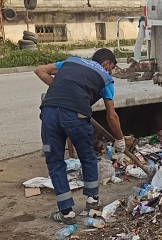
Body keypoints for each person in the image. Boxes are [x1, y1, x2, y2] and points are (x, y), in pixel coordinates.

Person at [35, 49, 125, 224]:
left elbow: (40, 70)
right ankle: (92, 201)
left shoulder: (71, 62)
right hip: (76, 116)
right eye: (112, 68)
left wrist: (61, 90)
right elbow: (111, 115)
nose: (111, 72)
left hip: (49, 113)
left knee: (54, 162)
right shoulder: (105, 78)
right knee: (87, 157)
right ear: (107, 64)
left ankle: (66, 212)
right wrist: (119, 138)